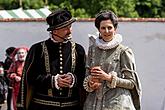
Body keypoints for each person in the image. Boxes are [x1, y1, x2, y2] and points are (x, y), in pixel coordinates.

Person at [16, 8, 86, 110]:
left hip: (71, 107)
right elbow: (29, 78)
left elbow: (84, 75)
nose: (70, 31)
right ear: (55, 30)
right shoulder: (37, 49)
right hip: (42, 107)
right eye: (65, 28)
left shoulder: (78, 50)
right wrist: (53, 81)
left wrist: (73, 79)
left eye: (70, 27)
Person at [83, 10, 142, 110]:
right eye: (103, 28)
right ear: (99, 30)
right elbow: (87, 76)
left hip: (118, 104)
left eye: (109, 28)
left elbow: (132, 83)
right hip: (93, 104)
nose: (106, 31)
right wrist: (90, 83)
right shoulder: (92, 49)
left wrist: (108, 77)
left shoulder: (124, 51)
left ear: (115, 29)